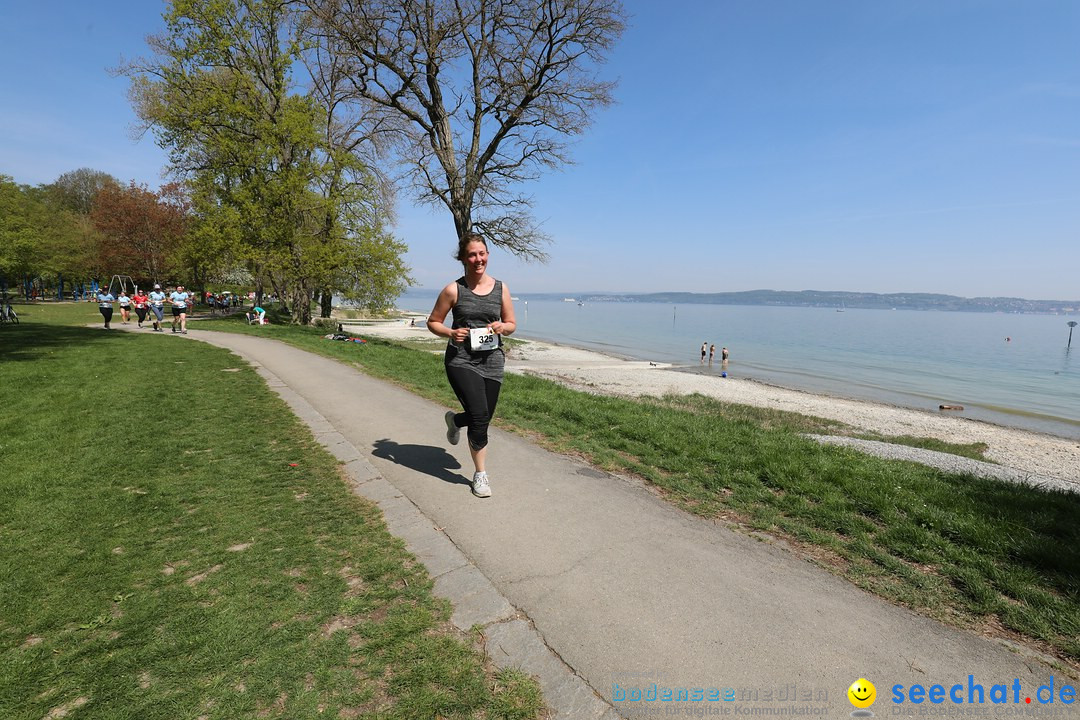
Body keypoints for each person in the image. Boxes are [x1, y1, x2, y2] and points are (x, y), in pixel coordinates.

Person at [427, 233, 516, 498]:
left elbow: (511, 324)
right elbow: (433, 321)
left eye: (482, 253)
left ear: (487, 255)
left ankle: (455, 420)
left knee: (484, 416)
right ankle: (480, 475)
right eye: (472, 255)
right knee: (479, 417)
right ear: (463, 258)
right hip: (461, 360)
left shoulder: (501, 288)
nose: (478, 259)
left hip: (492, 360)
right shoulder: (453, 289)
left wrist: (503, 326)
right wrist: (450, 334)